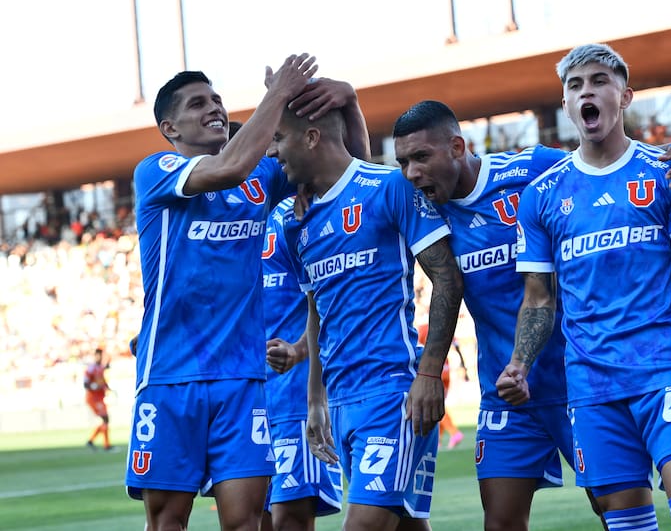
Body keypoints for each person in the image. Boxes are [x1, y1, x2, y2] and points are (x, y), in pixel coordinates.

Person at [392, 99, 671, 531]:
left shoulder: (533, 170)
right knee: (500, 522)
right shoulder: (424, 208)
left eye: (421, 157)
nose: (412, 173)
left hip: (580, 379)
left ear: (458, 147)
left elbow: (606, 165)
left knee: (615, 511)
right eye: (404, 162)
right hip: (507, 388)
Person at [126, 53, 369, 530]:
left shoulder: (261, 182)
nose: (214, 107)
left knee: (246, 521)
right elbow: (231, 166)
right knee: (168, 520)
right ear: (170, 127)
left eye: (216, 98)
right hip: (171, 376)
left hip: (244, 380)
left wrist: (348, 101)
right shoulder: (155, 172)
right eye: (198, 104)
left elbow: (348, 171)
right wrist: (277, 93)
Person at [498, 43, 671, 531]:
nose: (587, 92)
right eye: (575, 86)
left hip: (668, 369)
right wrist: (519, 364)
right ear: (566, 106)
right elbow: (539, 298)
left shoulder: (669, 172)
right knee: (628, 525)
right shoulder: (542, 196)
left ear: (625, 96)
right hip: (592, 384)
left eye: (599, 81)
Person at [269, 102, 464, 530]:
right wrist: (315, 400)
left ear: (312, 137)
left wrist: (429, 374)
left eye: (279, 138)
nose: (272, 152)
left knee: (362, 526)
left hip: (392, 394)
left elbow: (447, 277)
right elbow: (317, 313)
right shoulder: (296, 223)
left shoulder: (388, 187)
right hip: (339, 400)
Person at [260, 197, 344, 530]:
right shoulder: (230, 219)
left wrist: (296, 351)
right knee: (252, 517)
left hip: (293, 395)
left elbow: (326, 306)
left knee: (289, 519)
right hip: (248, 396)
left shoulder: (294, 216)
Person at [417, 320, 465, 450]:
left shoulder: (422, 327)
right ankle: (438, 439)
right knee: (439, 402)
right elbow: (456, 343)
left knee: (435, 403)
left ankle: (454, 432)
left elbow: (418, 346)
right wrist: (463, 365)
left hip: (431, 367)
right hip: (445, 365)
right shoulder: (442, 322)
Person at [84, 347, 113, 451]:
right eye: (98, 355)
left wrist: (109, 389)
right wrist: (94, 386)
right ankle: (106, 445)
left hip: (100, 397)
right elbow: (86, 384)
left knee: (105, 420)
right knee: (105, 419)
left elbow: (103, 381)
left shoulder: (100, 368)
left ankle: (91, 441)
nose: (100, 357)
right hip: (93, 398)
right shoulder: (90, 369)